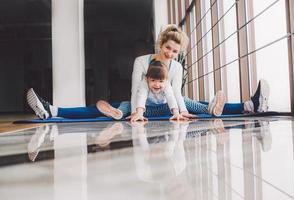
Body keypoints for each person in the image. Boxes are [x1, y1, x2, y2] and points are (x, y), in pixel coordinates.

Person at [26, 24, 269, 120]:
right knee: (115, 106)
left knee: (195, 103)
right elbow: (137, 89)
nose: (170, 54)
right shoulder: (142, 62)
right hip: (141, 104)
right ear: (160, 44)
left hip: (167, 105)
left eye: (175, 51)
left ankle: (250, 105)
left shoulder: (176, 66)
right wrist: (137, 111)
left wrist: (179, 113)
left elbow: (174, 92)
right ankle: (52, 110)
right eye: (168, 48)